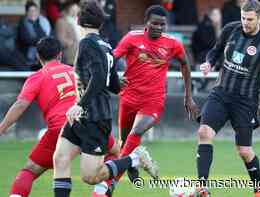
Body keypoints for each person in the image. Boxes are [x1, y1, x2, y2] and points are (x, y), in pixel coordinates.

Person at [52, 1, 159, 197]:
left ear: (78, 20)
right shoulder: (105, 45)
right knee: (60, 159)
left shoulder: (87, 44)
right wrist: (118, 82)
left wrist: (79, 104)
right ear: (101, 24)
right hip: (81, 118)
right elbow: (112, 84)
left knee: (90, 176)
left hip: (94, 117)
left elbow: (100, 78)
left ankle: (134, 158)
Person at [90, 4, 199, 196]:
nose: (158, 27)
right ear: (146, 23)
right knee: (125, 142)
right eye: (155, 23)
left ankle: (110, 183)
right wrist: (114, 79)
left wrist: (188, 96)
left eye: (162, 24)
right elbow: (111, 58)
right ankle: (132, 161)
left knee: (137, 131)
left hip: (153, 101)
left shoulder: (172, 44)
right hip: (129, 98)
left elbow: (185, 64)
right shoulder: (132, 39)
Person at [0, 37, 119, 197]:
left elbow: (20, 104)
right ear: (60, 55)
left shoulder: (37, 77)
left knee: (30, 170)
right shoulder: (74, 70)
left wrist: (2, 128)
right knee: (115, 152)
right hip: (88, 122)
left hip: (60, 129)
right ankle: (100, 192)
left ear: (38, 57)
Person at [196, 1, 260, 197]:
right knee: (204, 132)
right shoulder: (229, 30)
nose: (245, 22)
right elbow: (215, 51)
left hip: (245, 101)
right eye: (243, 18)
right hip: (221, 93)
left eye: (250, 19)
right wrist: (209, 63)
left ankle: (259, 190)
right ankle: (202, 188)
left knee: (244, 150)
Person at [18, 1, 52, 68]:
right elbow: (26, 40)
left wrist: (37, 23)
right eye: (30, 11)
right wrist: (42, 41)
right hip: (28, 57)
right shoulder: (23, 23)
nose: (33, 13)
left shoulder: (43, 22)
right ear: (27, 12)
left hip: (43, 55)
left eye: (35, 11)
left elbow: (48, 37)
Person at [55, 1, 80, 66]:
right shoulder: (62, 21)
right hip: (69, 54)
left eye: (76, 9)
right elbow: (60, 39)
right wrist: (72, 43)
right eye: (72, 9)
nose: (74, 12)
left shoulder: (79, 20)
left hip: (81, 54)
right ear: (68, 9)